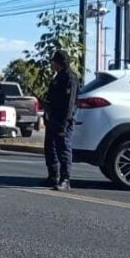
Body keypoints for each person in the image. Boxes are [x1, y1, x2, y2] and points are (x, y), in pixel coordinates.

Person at [43, 50, 79, 191]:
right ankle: (53, 176)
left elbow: (69, 104)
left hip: (63, 120)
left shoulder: (70, 78)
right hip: (53, 118)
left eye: (54, 61)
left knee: (63, 149)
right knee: (50, 148)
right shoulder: (57, 77)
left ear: (59, 62)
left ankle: (65, 180)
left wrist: (64, 124)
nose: (52, 64)